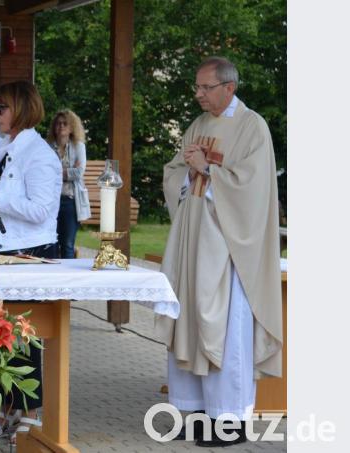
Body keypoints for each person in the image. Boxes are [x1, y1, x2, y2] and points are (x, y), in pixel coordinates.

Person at [157, 56, 282, 447]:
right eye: (196, 87)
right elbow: (175, 171)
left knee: (225, 333)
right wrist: (190, 170)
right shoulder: (198, 124)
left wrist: (208, 170)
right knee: (189, 325)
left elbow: (253, 186)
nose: (198, 95)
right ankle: (192, 412)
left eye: (205, 88)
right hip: (193, 242)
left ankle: (229, 421)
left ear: (229, 87)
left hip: (228, 249)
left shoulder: (252, 127)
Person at [0, 80, 61, 445]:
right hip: (3, 252)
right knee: (1, 335)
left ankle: (31, 411)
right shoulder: (6, 149)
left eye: (1, 108)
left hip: (31, 253)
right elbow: (2, 195)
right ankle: (8, 404)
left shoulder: (40, 154)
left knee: (26, 338)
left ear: (19, 110)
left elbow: (41, 211)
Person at [46, 109, 91, 259]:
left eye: (65, 124)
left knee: (67, 244)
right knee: (51, 243)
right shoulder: (47, 146)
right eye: (58, 123)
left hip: (70, 200)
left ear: (72, 127)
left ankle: (67, 278)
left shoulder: (79, 146)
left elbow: (79, 173)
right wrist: (68, 171)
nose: (61, 126)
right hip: (51, 201)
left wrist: (57, 172)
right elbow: (45, 174)